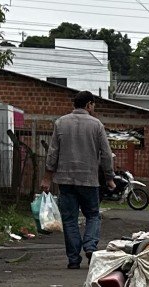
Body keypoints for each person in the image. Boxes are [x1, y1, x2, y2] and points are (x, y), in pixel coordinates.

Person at [44, 91, 116, 269]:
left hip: (66, 180)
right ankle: (90, 246)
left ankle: (73, 260)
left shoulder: (60, 123)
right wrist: (109, 178)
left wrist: (47, 177)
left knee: (70, 220)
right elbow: (106, 154)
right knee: (92, 215)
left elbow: (53, 153)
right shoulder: (96, 125)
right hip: (89, 180)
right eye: (94, 105)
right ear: (89, 105)